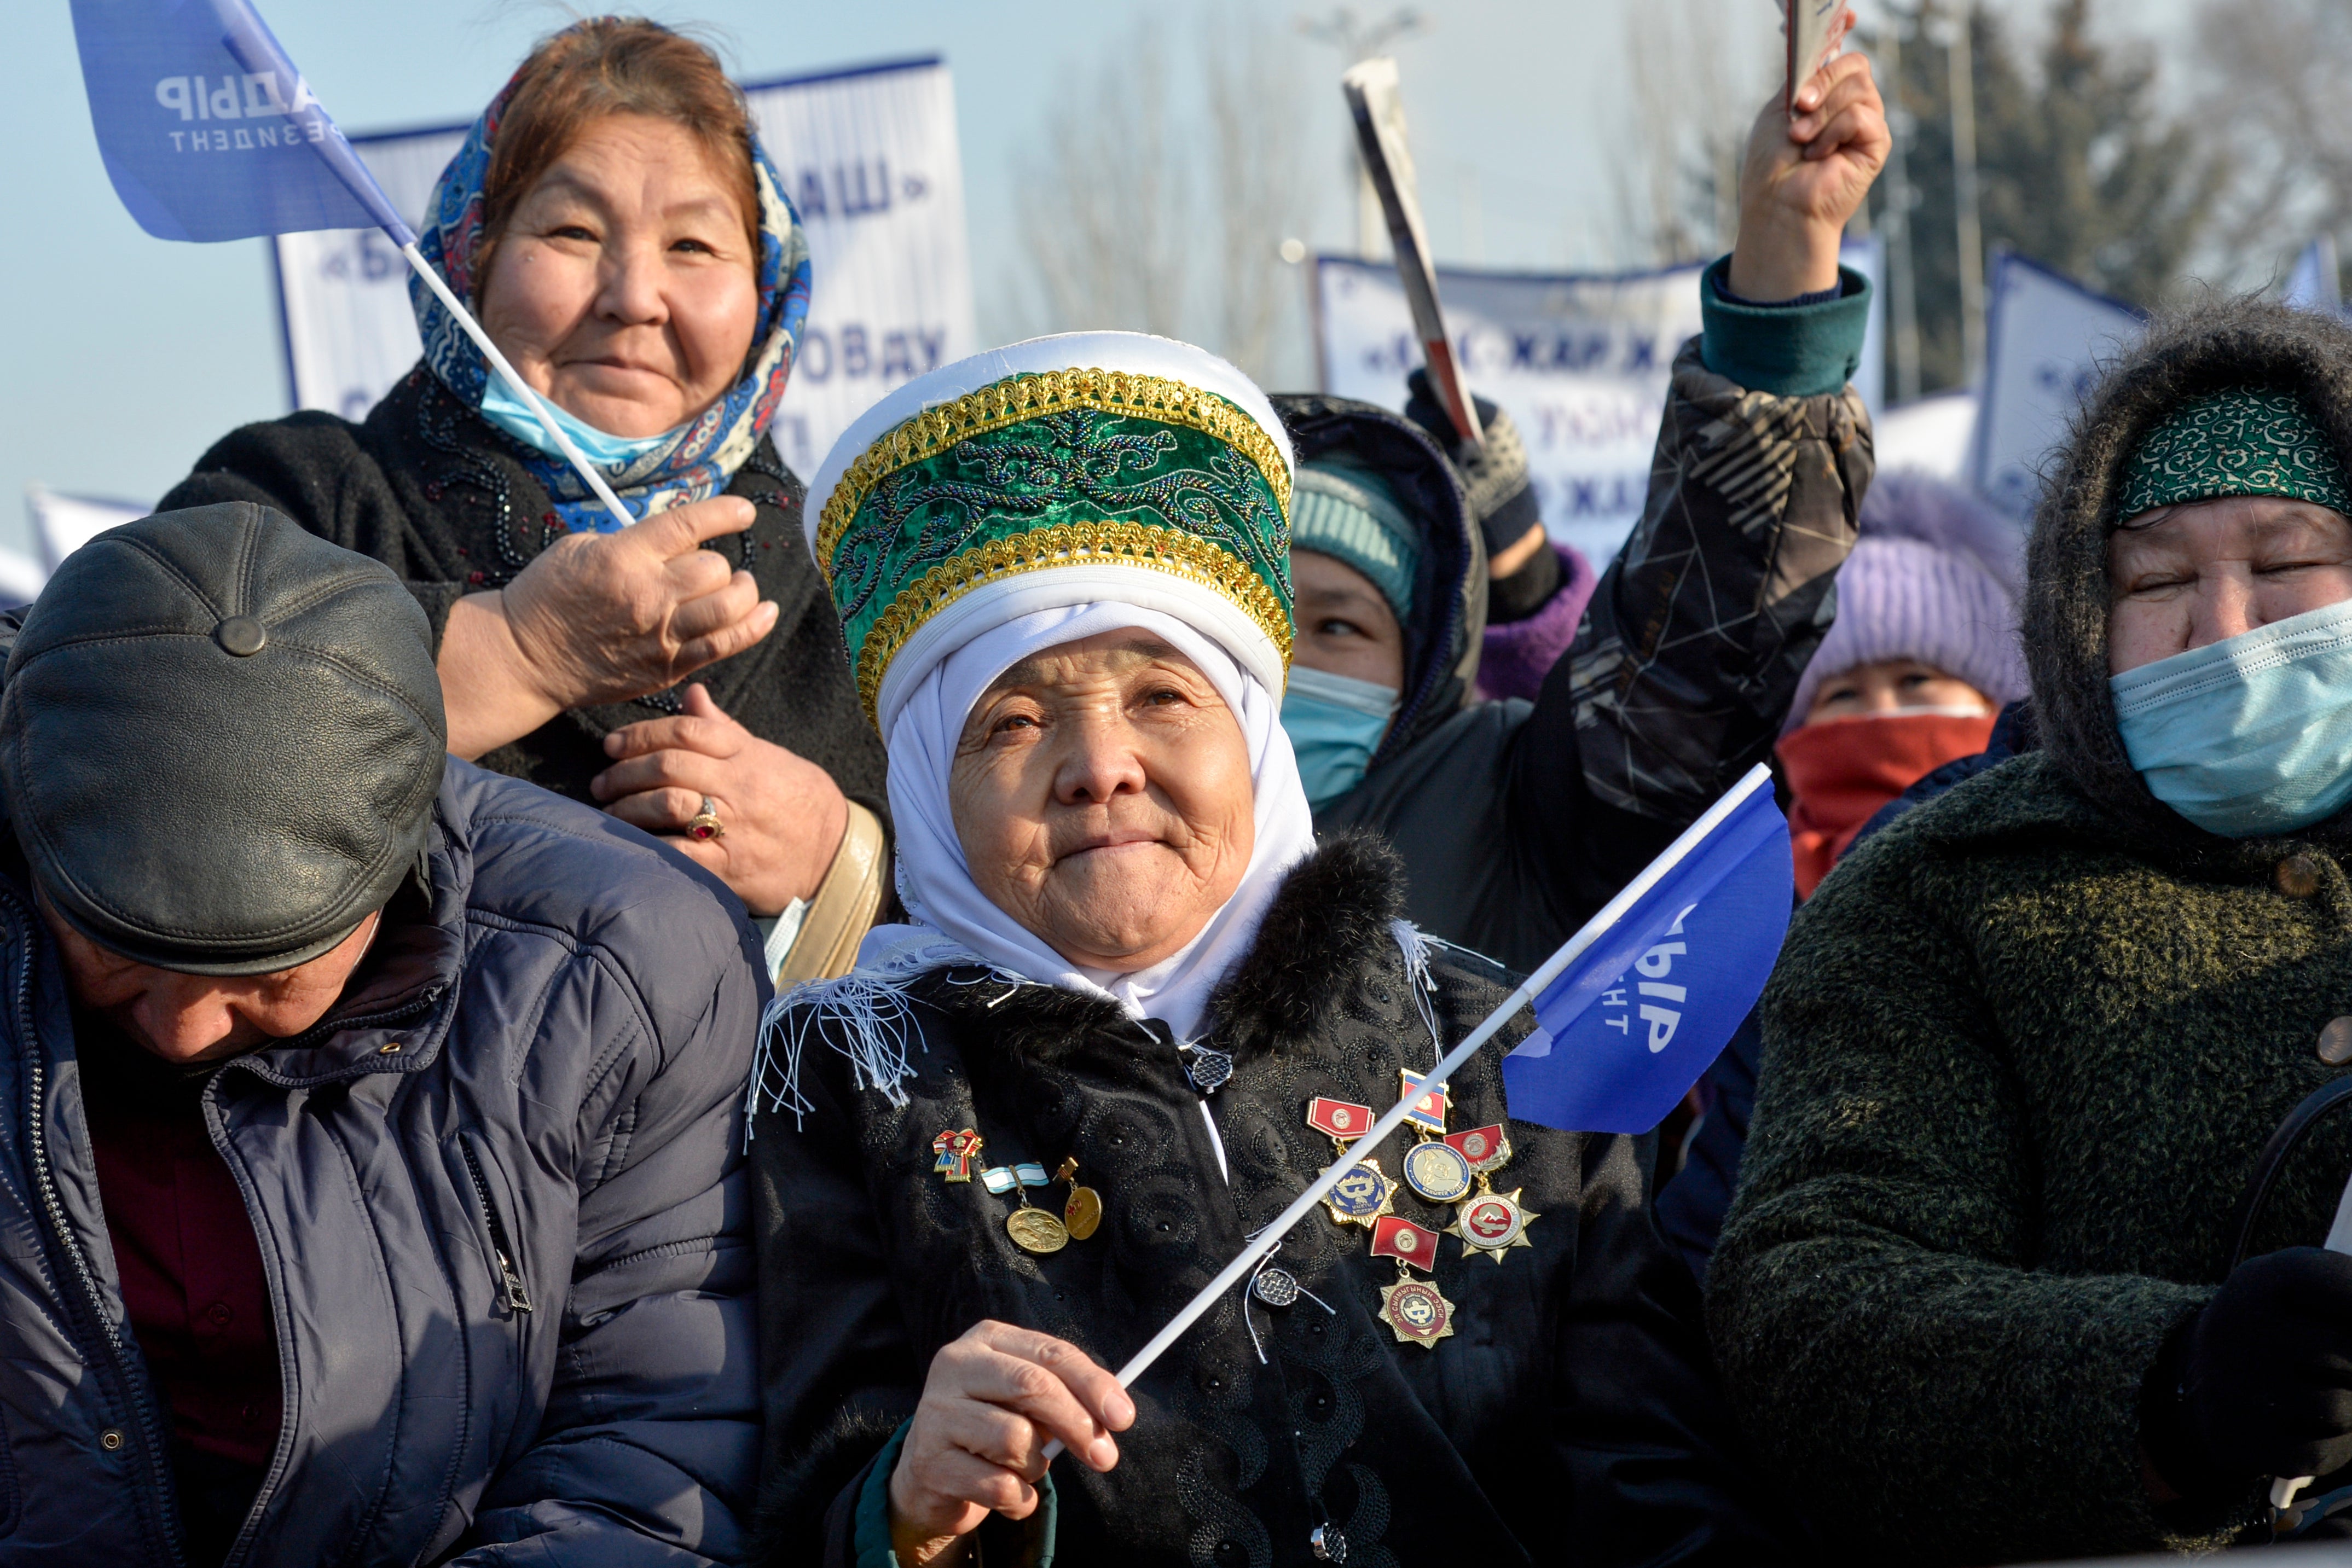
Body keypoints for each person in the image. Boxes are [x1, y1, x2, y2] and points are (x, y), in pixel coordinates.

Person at [749, 331, 1786, 1566]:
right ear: (924, 782)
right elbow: (804, 1494)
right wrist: (907, 1508)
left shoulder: (1496, 1045)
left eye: (1161, 696)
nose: (1099, 766)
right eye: (1012, 721)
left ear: (1251, 726)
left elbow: (1661, 1483)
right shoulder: (853, 1087)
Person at [1710, 297, 2352, 1560]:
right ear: (2072, 614)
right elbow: (1811, 1308)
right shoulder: (1948, 888)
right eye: (2157, 579)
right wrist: (2167, 1386)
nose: (2225, 630)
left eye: (2284, 563)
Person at [0, 501, 762, 1564]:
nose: (180, 1028)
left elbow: (649, 1441)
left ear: (397, 878)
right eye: (119, 944)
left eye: (264, 974)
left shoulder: (624, 965)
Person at [160, 19, 887, 978]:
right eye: (573, 231)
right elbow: (120, 729)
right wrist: (517, 652)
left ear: (767, 292)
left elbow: (1039, 916)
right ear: (474, 257)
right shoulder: (298, 501)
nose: (635, 296)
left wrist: (843, 857)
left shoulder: (866, 577)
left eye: (694, 246)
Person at [1268, 39, 1889, 978]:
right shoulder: (1088, 823)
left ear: (1423, 659)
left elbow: (1692, 649)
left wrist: (1781, 279)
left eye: (1337, 625)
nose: (1290, 666)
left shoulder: (1511, 806)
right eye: (1262, 623)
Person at [1653, 470, 2029, 1281]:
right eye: (1843, 693)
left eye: (1917, 683)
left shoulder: (2042, 874)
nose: (1879, 715)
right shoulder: (1734, 900)